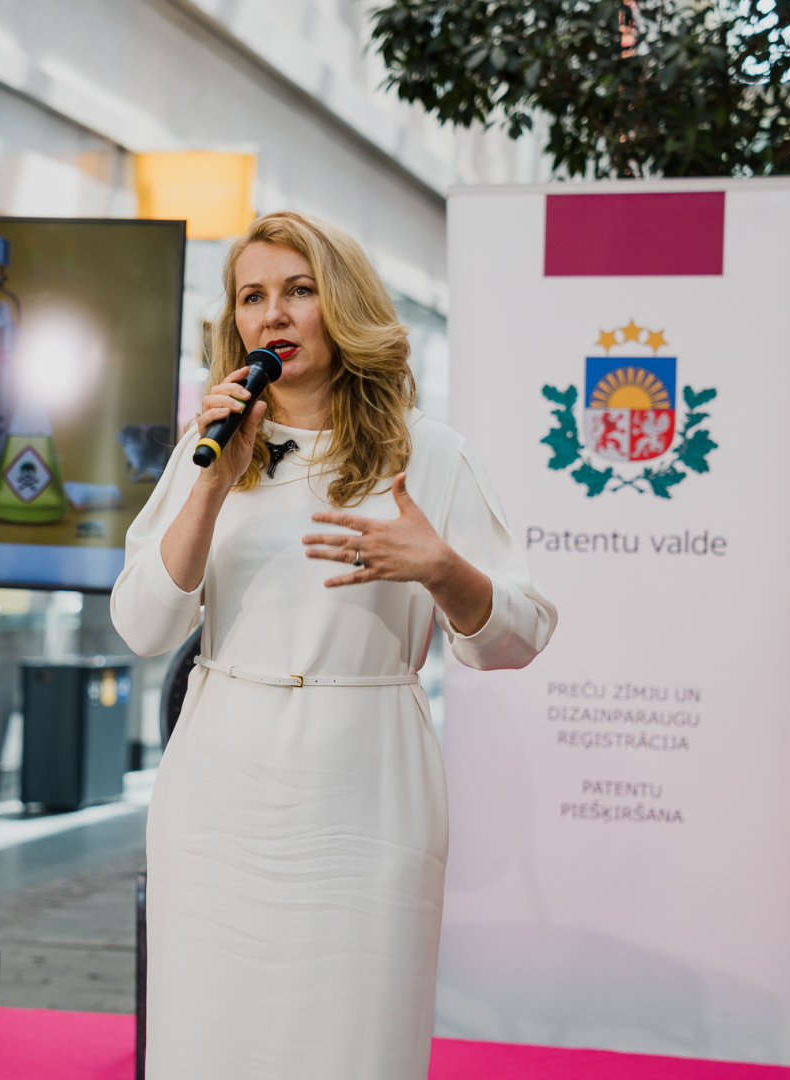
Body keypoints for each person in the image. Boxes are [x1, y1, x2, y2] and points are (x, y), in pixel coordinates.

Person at [110, 211, 557, 1079]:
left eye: (299, 290)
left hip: (368, 788)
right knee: (209, 1041)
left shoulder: (429, 455)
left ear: (343, 304)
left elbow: (519, 636)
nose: (272, 315)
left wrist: (442, 570)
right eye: (252, 297)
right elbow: (143, 625)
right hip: (218, 791)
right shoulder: (209, 448)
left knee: (356, 1043)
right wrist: (210, 488)